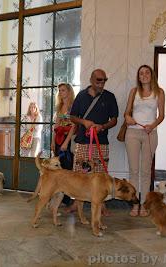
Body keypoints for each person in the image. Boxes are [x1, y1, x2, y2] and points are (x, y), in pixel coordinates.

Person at [70, 69, 119, 216]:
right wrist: (83, 121)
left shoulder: (110, 97)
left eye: (104, 80)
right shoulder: (81, 96)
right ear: (91, 79)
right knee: (79, 174)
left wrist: (102, 127)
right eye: (99, 80)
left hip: (101, 142)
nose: (102, 83)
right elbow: (72, 117)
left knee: (101, 175)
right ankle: (76, 203)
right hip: (82, 141)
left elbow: (114, 120)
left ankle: (101, 204)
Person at [124, 65, 165, 217]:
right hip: (132, 133)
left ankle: (144, 205)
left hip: (150, 134)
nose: (144, 75)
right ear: (138, 77)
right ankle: (134, 205)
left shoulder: (159, 92)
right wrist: (128, 118)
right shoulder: (134, 92)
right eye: (141, 73)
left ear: (151, 75)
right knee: (134, 171)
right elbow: (126, 112)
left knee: (146, 171)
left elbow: (161, 115)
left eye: (147, 72)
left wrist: (152, 125)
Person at [50, 83, 76, 209]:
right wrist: (53, 141)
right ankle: (57, 196)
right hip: (59, 138)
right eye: (59, 90)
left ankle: (66, 198)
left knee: (67, 169)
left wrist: (66, 142)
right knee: (58, 169)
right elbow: (56, 126)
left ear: (69, 91)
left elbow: (74, 126)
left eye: (63, 90)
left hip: (68, 139)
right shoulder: (59, 106)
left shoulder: (74, 106)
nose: (61, 92)